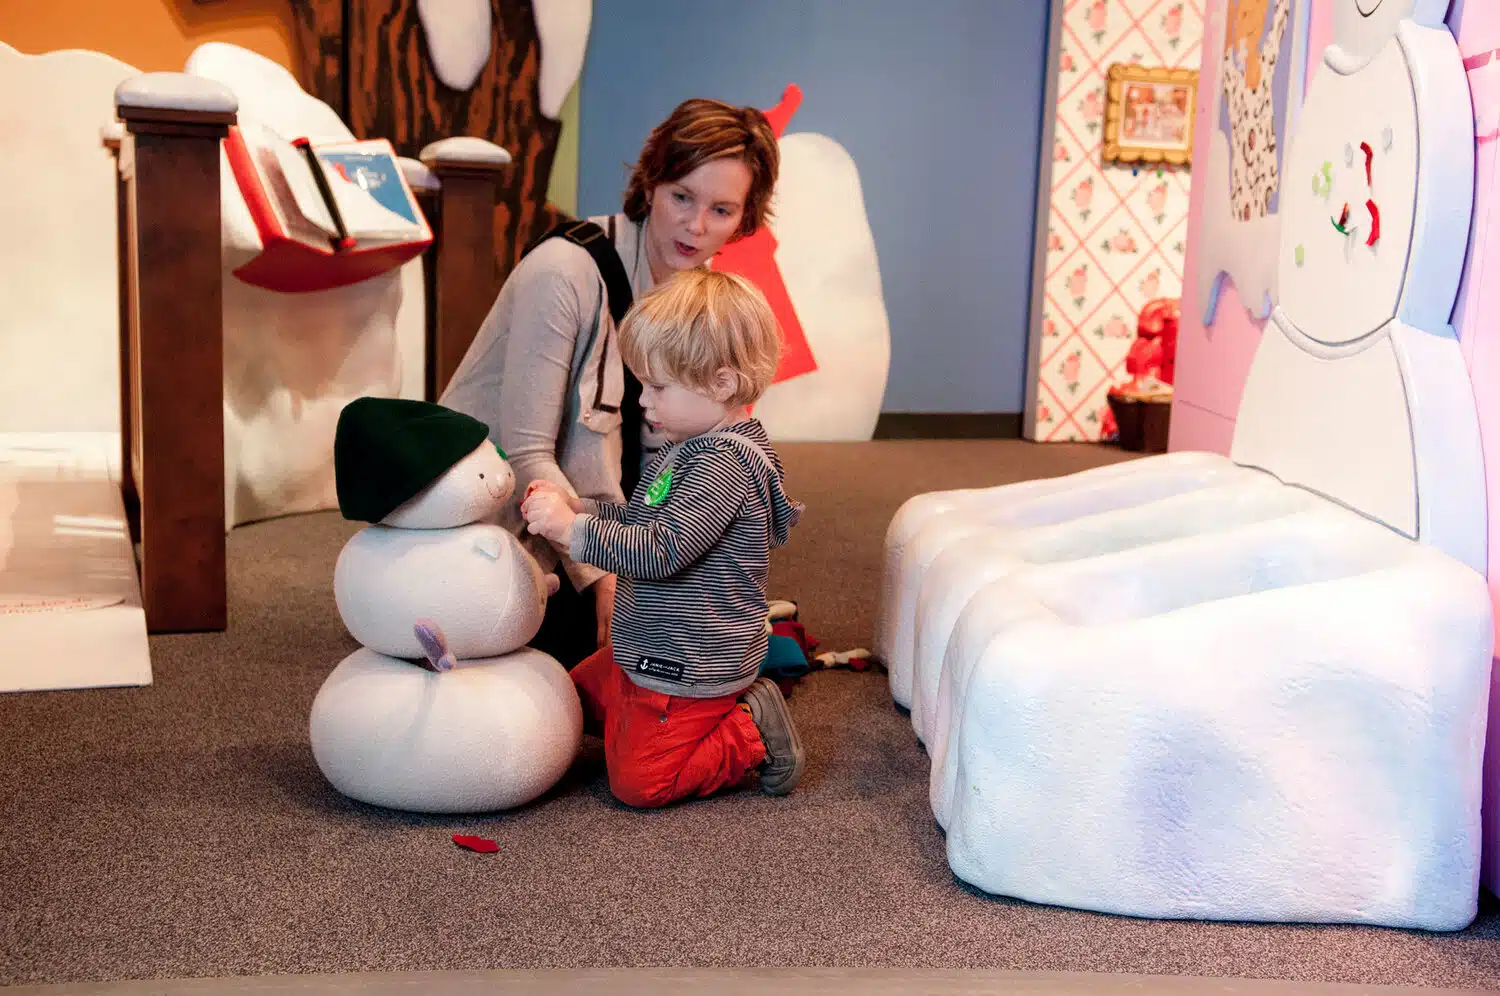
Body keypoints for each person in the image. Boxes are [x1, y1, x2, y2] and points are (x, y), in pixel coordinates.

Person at [438, 98, 781, 669]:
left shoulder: (697, 293)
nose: (697, 226)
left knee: (702, 621)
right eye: (682, 197)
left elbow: (686, 446)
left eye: (721, 210)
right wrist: (606, 571)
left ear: (744, 217)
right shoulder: (564, 271)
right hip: (498, 499)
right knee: (594, 652)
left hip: (594, 505)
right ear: (651, 183)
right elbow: (525, 453)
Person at [520, 268, 805, 807]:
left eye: (658, 387)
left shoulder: (724, 466)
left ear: (721, 384)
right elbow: (643, 520)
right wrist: (583, 509)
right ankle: (668, 714)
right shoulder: (689, 447)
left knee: (640, 784)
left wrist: (571, 531)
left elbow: (661, 550)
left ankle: (751, 725)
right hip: (650, 643)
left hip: (687, 662)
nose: (642, 400)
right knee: (566, 705)